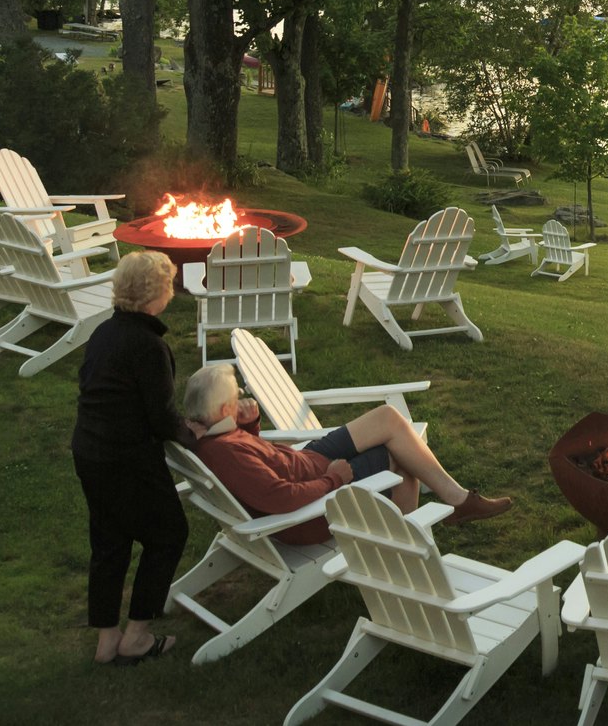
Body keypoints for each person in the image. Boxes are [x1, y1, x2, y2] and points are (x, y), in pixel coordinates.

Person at [181, 364, 511, 544]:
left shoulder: (212, 430)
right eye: (235, 396)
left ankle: (456, 500)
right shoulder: (224, 453)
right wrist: (333, 479)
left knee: (388, 419)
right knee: (400, 461)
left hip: (306, 462)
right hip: (310, 509)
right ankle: (407, 548)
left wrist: (249, 424)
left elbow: (256, 460)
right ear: (223, 408)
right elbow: (280, 497)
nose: (241, 396)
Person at [69, 250, 194, 666]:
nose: (171, 291)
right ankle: (137, 635)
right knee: (168, 534)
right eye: (168, 285)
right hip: (126, 458)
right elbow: (160, 418)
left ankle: (107, 640)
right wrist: (194, 435)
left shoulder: (104, 332)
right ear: (154, 294)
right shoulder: (149, 345)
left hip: (89, 450)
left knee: (109, 542)